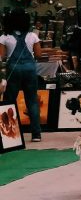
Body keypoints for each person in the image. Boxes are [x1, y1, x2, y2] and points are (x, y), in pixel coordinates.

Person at [0, 9, 42, 142]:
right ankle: (36, 134)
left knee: (9, 100)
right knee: (32, 101)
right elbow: (39, 55)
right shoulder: (33, 36)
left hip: (13, 69)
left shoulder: (4, 37)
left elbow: (2, 57)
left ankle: (9, 134)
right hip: (30, 69)